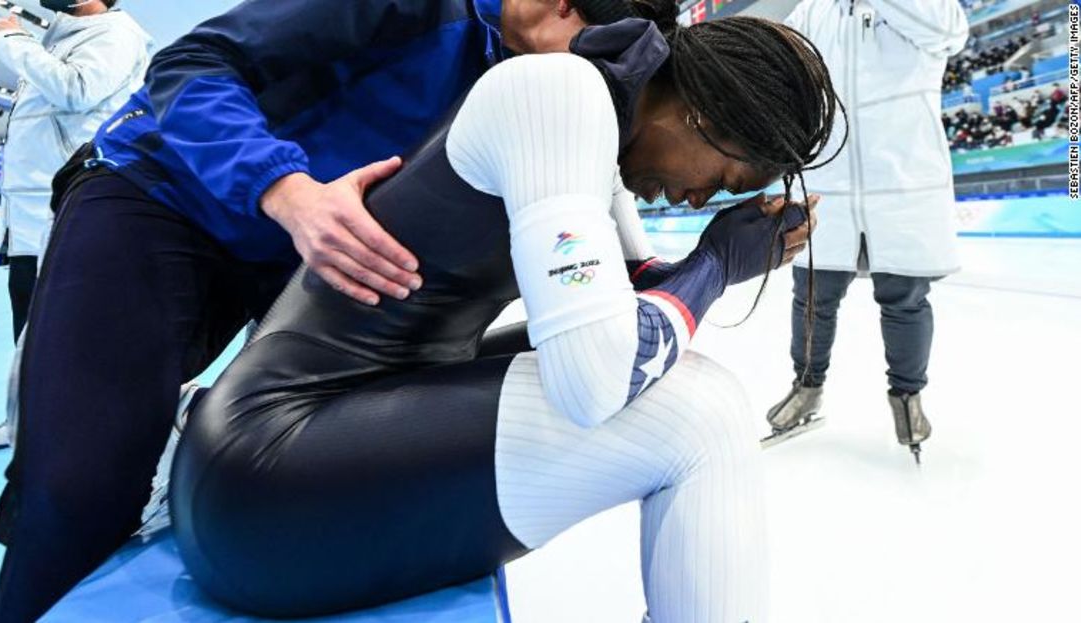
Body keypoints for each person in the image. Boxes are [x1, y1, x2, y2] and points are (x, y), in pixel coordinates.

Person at [0, 1, 666, 620]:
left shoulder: (521, 72)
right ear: (562, 5)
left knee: (299, 445)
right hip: (165, 194)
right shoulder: (420, 11)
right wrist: (286, 188)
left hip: (298, 249)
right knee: (82, 480)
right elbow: (188, 64)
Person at [169, 11, 838, 623]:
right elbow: (596, 381)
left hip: (295, 453)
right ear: (702, 113)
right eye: (721, 177)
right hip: (265, 482)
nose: (699, 198)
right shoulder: (562, 98)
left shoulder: (596, 116)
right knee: (701, 413)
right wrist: (716, 265)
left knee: (686, 380)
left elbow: (630, 305)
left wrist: (716, 260)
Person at [764, 0, 969, 463]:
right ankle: (807, 387)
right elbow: (782, 60)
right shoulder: (813, 11)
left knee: (904, 299)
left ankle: (907, 399)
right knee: (813, 294)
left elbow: (948, 33)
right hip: (830, 181)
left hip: (902, 182)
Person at [0, 0, 151, 451]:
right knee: (26, 316)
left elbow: (77, 89)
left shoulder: (116, 33)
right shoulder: (58, 36)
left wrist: (14, 40)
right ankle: (24, 422)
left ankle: (81, 431)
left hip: (67, 202)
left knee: (72, 325)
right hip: (28, 207)